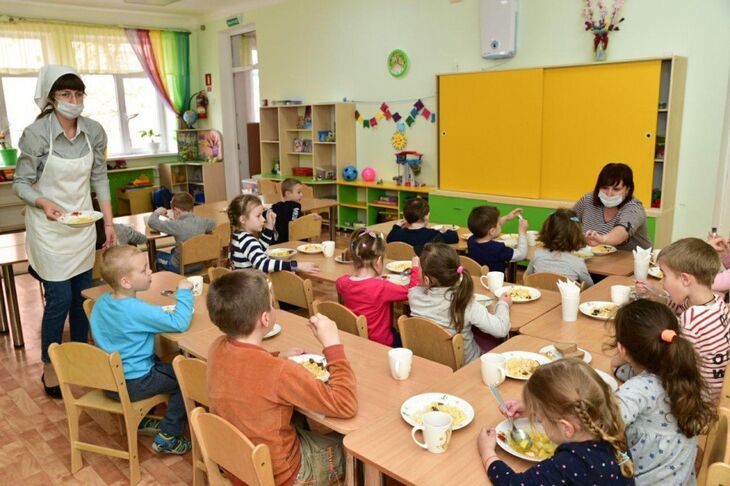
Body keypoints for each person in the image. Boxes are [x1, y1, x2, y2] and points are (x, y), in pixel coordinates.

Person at [13, 65, 116, 398]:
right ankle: (50, 365)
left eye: (78, 94)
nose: (74, 100)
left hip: (81, 226)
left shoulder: (94, 131)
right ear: (51, 98)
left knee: (82, 296)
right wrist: (42, 202)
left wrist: (108, 223)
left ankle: (80, 358)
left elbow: (100, 178)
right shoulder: (37, 134)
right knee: (60, 298)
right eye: (65, 94)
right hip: (49, 231)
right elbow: (21, 183)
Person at [206, 270, 357, 486]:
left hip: (238, 465)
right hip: (283, 475)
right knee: (353, 451)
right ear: (266, 318)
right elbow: (345, 404)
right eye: (271, 304)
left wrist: (277, 356)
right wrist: (333, 345)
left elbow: (247, 367)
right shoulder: (279, 372)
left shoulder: (217, 347)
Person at [90, 245, 194, 454]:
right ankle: (169, 436)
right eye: (143, 269)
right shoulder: (136, 310)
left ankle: (144, 419)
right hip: (135, 383)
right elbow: (180, 322)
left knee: (163, 364)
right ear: (126, 282)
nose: (150, 271)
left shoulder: (102, 303)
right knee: (186, 379)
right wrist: (183, 292)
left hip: (109, 381)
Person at [608, 300, 716, 485]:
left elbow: (602, 427)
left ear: (621, 348)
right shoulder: (680, 372)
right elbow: (636, 375)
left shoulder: (636, 391)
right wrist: (622, 362)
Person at [478, 359, 635, 485]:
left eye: (542, 419)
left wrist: (488, 453)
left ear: (566, 428)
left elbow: (513, 483)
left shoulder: (571, 462)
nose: (539, 421)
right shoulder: (612, 429)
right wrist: (535, 409)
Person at [654, 238, 729, 402]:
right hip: (721, 393)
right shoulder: (717, 302)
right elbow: (681, 305)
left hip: (700, 400)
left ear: (685, 279)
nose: (662, 283)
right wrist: (655, 295)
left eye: (664, 275)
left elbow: (676, 364)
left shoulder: (692, 317)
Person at [408, 243, 510, 362]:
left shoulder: (413, 295)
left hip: (428, 359)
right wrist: (503, 304)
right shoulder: (464, 302)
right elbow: (501, 330)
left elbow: (416, 287)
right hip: (464, 365)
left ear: (426, 279)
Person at [336, 228, 419, 347]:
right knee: (409, 339)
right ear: (379, 260)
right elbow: (412, 292)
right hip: (381, 342)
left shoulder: (343, 282)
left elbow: (341, 282)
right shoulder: (381, 287)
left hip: (356, 337)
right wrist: (415, 268)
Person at [228, 194, 318, 273]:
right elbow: (264, 264)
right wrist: (296, 266)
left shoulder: (238, 236)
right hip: (250, 285)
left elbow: (258, 250)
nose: (263, 219)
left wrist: (269, 228)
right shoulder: (247, 240)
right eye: (258, 216)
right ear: (243, 219)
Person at [573, 163, 651, 251]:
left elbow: (622, 231)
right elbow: (570, 219)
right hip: (595, 256)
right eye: (605, 188)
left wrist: (602, 239)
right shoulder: (588, 200)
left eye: (616, 189)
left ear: (628, 190)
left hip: (634, 257)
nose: (609, 194)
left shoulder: (634, 207)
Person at [148, 192, 215, 273]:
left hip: (180, 266)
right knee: (173, 250)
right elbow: (213, 224)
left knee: (154, 255)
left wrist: (157, 211)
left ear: (176, 211)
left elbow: (152, 222)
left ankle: (168, 277)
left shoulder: (175, 225)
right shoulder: (202, 221)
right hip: (199, 263)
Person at [525, 208, 594, 287]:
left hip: (540, 294)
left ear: (546, 231)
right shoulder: (578, 264)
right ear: (576, 235)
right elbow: (590, 287)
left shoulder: (537, 255)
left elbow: (527, 276)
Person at [386, 197, 458, 255]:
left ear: (405, 217)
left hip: (403, 265)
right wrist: (447, 230)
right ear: (426, 217)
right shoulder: (433, 234)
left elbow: (389, 239)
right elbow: (454, 238)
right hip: (425, 267)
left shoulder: (398, 234)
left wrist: (396, 226)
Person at [466, 206, 528, 273]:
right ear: (492, 231)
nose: (500, 224)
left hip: (478, 278)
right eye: (499, 224)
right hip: (495, 279)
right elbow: (521, 254)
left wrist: (507, 218)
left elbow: (489, 225)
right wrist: (522, 233)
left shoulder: (471, 240)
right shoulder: (498, 249)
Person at [271, 178, 319, 243]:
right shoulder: (295, 206)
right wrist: (308, 217)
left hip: (277, 243)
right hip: (294, 243)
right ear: (288, 194)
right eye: (298, 192)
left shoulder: (275, 206)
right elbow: (295, 222)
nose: (301, 194)